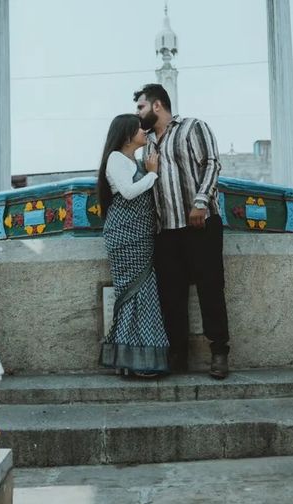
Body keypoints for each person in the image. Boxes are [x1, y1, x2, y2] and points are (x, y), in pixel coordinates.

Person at [133, 83, 230, 379]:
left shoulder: (192, 127)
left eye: (141, 107)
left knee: (210, 288)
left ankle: (219, 353)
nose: (138, 113)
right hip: (166, 230)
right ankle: (178, 355)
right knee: (170, 295)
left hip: (199, 223)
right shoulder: (146, 143)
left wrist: (200, 202)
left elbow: (212, 164)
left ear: (157, 105)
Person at [97, 113, 169, 378]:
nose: (144, 131)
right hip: (125, 235)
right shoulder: (116, 159)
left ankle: (134, 359)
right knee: (132, 295)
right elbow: (128, 192)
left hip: (141, 235)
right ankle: (133, 360)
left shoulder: (131, 160)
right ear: (127, 135)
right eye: (140, 129)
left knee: (144, 294)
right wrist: (152, 174)